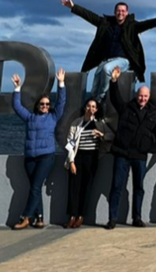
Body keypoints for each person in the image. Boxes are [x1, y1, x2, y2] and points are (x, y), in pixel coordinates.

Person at [62, 0, 156, 102]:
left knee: (107, 70)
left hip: (123, 61)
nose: (120, 13)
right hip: (106, 60)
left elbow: (145, 25)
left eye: (123, 11)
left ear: (127, 13)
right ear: (114, 12)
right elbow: (89, 16)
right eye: (118, 10)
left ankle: (100, 99)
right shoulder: (106, 23)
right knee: (95, 84)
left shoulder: (131, 26)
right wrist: (73, 7)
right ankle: (95, 106)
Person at [106, 66, 156, 229]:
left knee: (139, 188)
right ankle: (112, 218)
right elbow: (115, 98)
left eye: (145, 96)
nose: (142, 98)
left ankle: (137, 217)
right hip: (122, 153)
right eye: (141, 95)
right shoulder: (127, 107)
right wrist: (114, 81)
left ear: (149, 97)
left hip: (140, 155)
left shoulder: (152, 114)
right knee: (116, 187)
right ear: (137, 95)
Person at [10, 69, 67, 230]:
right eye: (42, 104)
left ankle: (25, 217)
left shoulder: (53, 117)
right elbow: (16, 106)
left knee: (35, 187)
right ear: (38, 105)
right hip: (29, 158)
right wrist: (17, 88)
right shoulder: (29, 118)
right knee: (35, 188)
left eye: (47, 104)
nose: (45, 106)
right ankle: (40, 218)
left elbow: (62, 102)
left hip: (46, 157)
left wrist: (61, 84)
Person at [64, 97, 113, 229]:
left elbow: (111, 136)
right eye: (88, 106)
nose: (90, 109)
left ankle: (81, 216)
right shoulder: (76, 123)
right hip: (78, 157)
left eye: (93, 107)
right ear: (85, 107)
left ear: (96, 110)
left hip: (92, 158)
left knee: (87, 187)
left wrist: (101, 134)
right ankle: (72, 215)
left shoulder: (99, 123)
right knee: (74, 187)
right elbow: (70, 143)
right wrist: (71, 161)